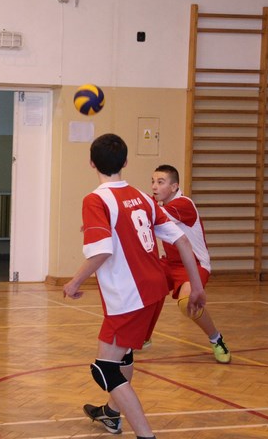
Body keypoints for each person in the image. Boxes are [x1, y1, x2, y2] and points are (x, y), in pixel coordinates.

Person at [63, 134, 206, 438]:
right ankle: (112, 414)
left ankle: (146, 435)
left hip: (128, 296)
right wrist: (196, 287)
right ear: (126, 162)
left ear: (91, 163)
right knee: (124, 355)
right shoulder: (142, 197)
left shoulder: (95, 199)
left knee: (105, 369)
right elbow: (182, 241)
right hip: (154, 292)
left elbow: (102, 251)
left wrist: (74, 282)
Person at [148, 164, 231, 363]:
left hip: (194, 265)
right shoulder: (156, 203)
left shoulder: (183, 204)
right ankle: (143, 337)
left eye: (160, 182)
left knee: (187, 303)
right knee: (143, 287)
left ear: (174, 187)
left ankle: (216, 338)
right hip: (169, 263)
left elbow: (148, 217)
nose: (154, 186)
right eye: (153, 182)